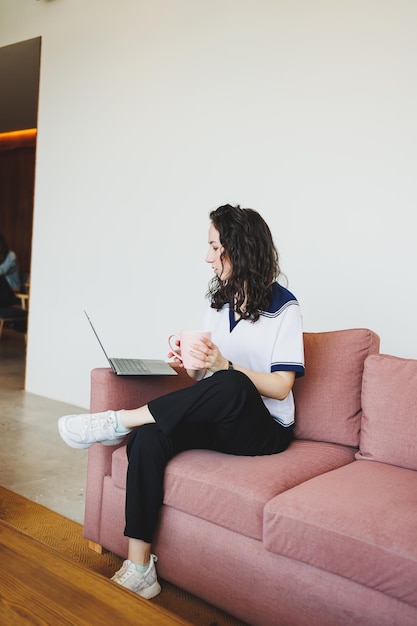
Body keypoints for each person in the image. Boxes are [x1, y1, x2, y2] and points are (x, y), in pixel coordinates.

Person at [58, 204, 305, 599]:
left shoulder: (285, 307)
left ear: (239, 248)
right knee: (149, 438)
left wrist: (226, 365)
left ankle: (118, 421)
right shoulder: (218, 302)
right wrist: (185, 357)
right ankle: (140, 568)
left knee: (233, 382)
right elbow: (198, 376)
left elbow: (279, 387)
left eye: (214, 247)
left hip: (265, 430)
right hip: (221, 419)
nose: (207, 257)